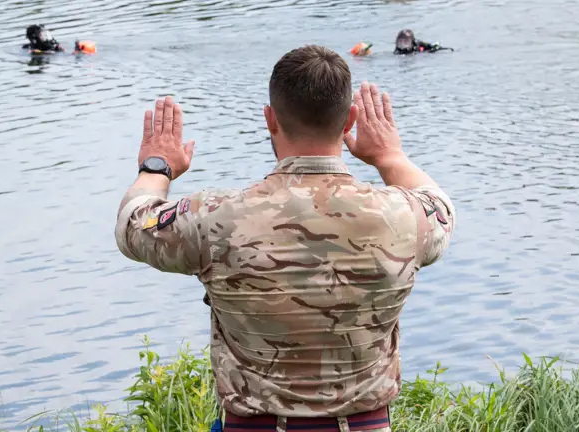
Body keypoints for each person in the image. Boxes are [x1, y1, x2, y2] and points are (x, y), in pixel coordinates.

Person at [114, 45, 455, 432]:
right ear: (350, 122)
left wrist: (157, 165)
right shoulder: (403, 218)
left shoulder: (214, 218)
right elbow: (440, 207)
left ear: (270, 119)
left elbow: (132, 223)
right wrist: (390, 157)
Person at [22, 24, 96, 54]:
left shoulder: (48, 45)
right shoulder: (35, 50)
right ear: (35, 38)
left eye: (45, 35)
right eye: (41, 35)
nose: (45, 38)